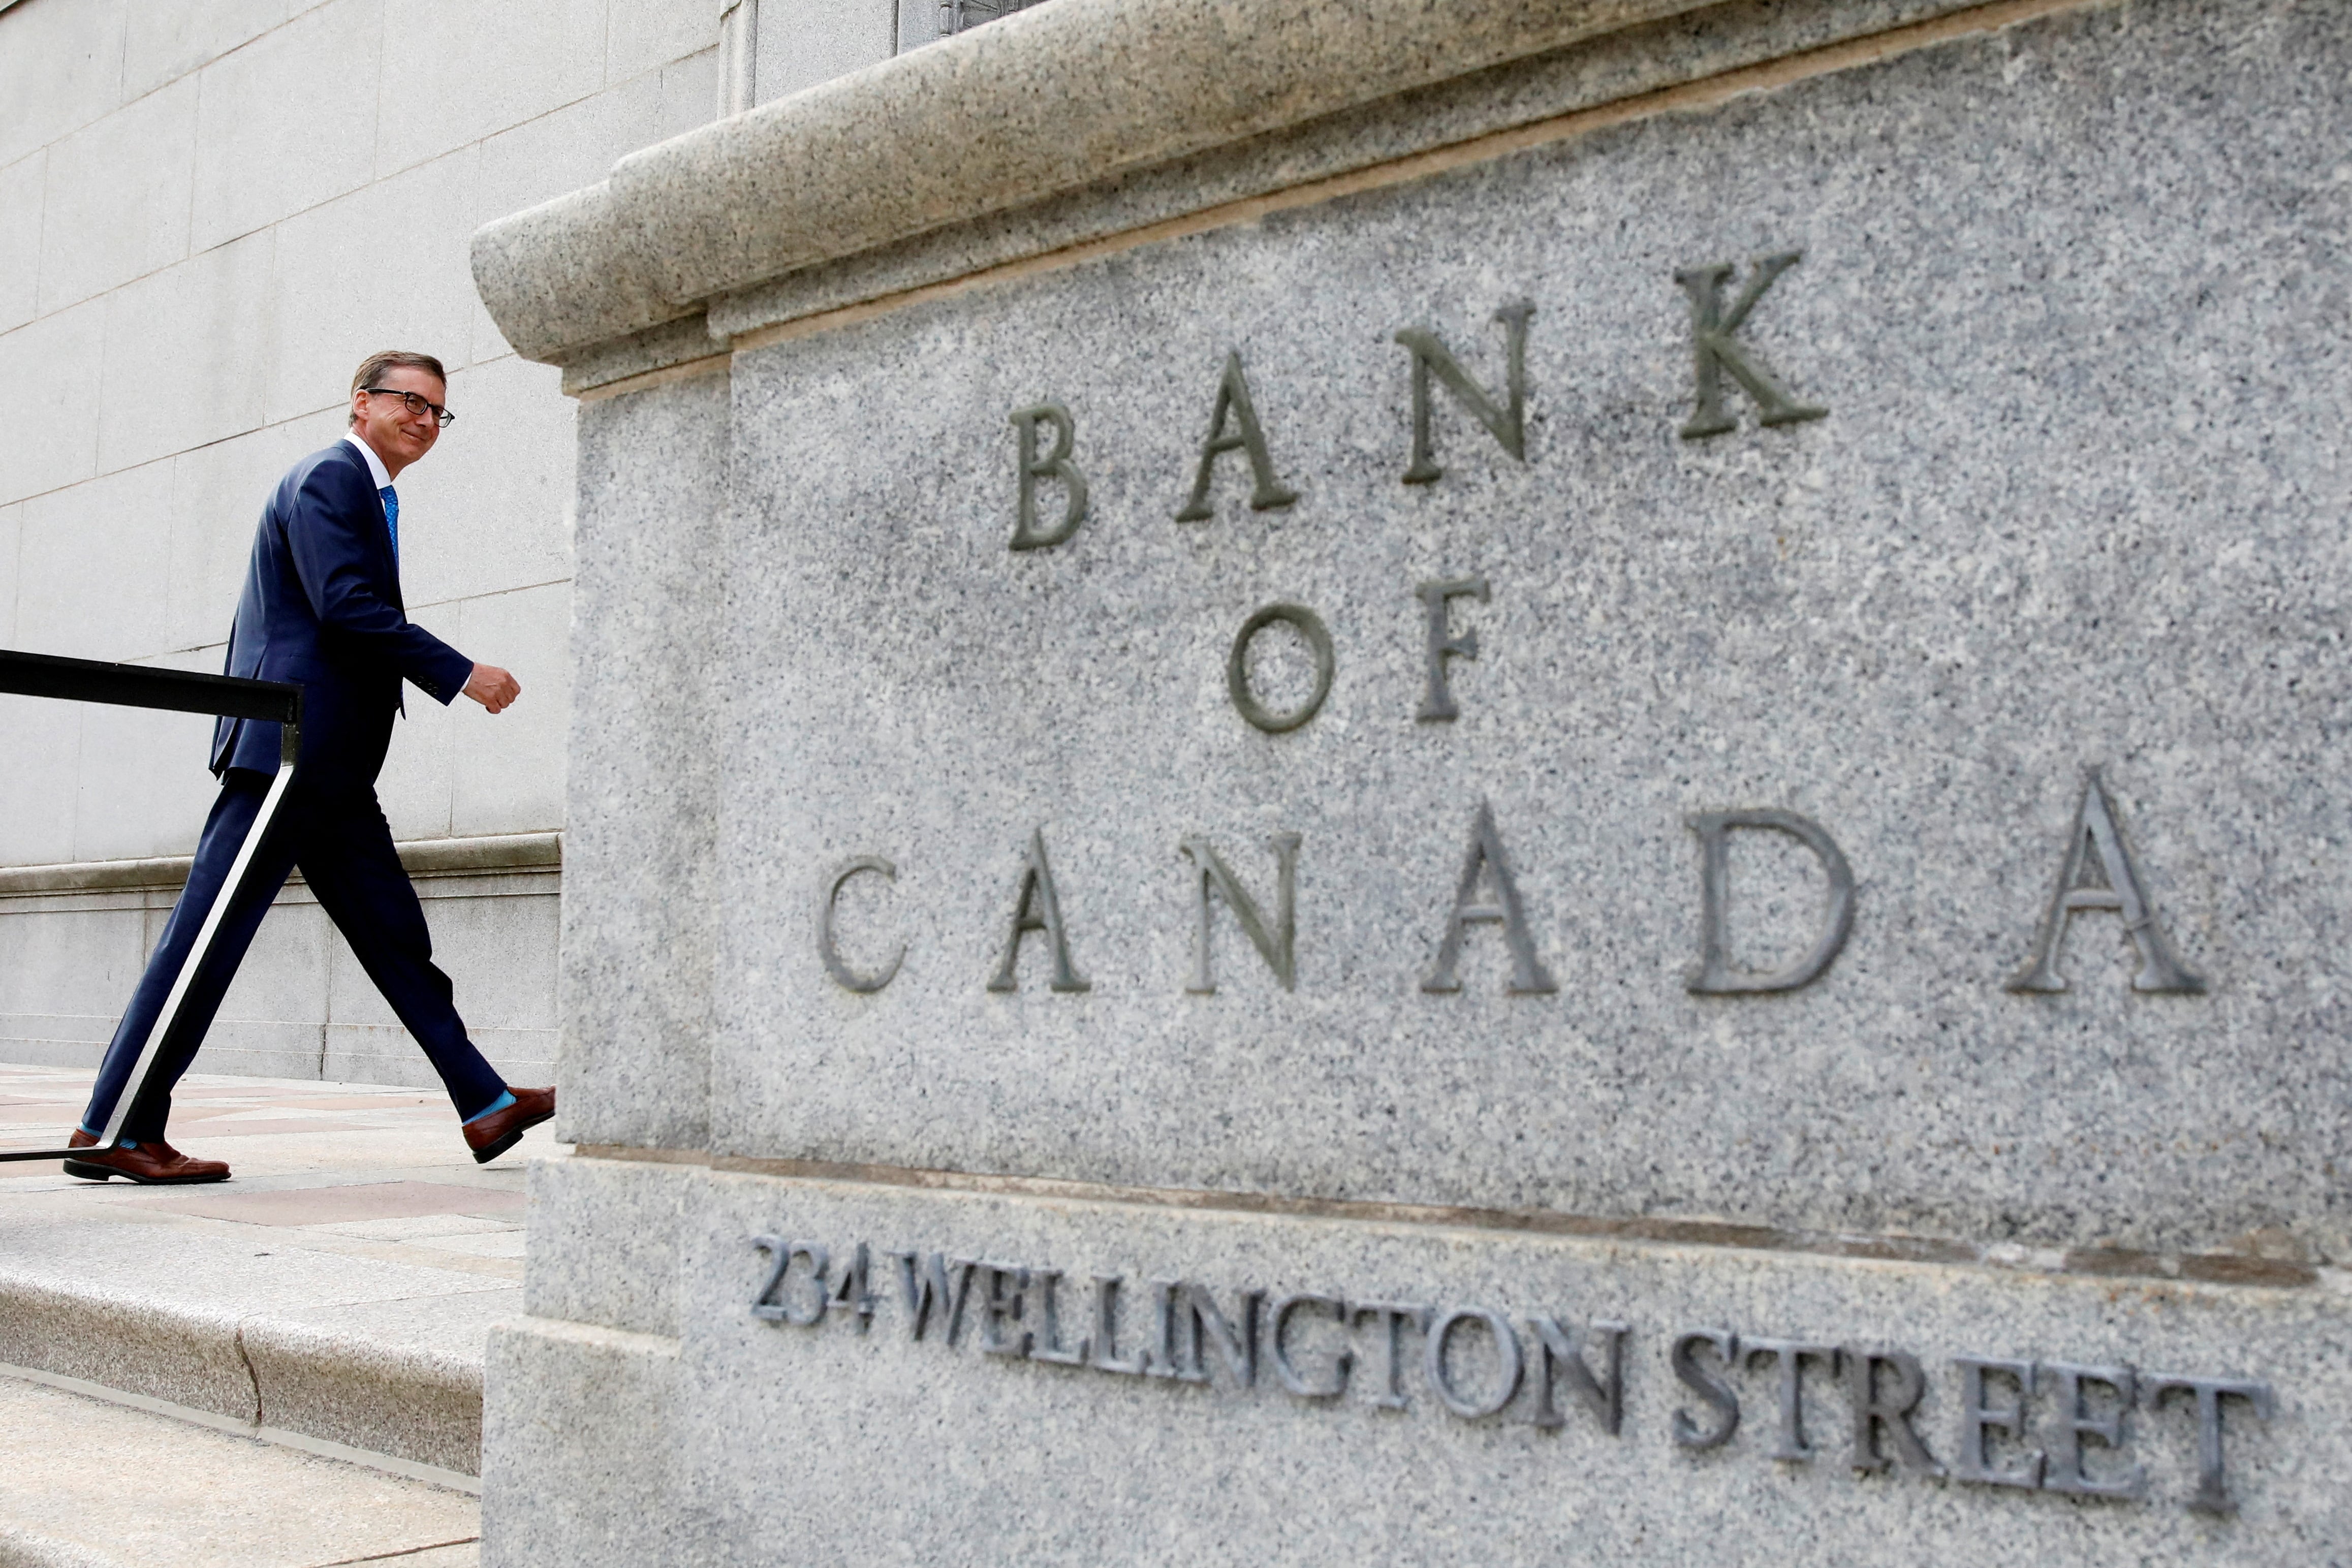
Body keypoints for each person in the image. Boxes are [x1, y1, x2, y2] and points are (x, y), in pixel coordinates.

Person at [64, 351, 553, 1184]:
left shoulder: (365, 489)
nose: (424, 420)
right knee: (204, 940)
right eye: (409, 401)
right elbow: (345, 606)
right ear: (361, 403)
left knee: (396, 938)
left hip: (332, 766)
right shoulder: (332, 476)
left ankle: (483, 1101)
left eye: (438, 411)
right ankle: (114, 1127)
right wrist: (460, 672)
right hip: (288, 756)